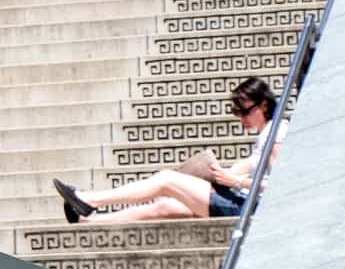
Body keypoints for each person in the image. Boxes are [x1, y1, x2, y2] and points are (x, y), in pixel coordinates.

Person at [53, 77, 285, 223]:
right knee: (166, 206)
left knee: (166, 179)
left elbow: (283, 186)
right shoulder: (266, 135)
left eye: (244, 111)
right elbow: (246, 169)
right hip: (243, 201)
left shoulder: (277, 134)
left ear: (264, 105)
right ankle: (90, 222)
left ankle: (88, 199)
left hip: (248, 207)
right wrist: (223, 175)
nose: (241, 118)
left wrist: (234, 182)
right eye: (237, 113)